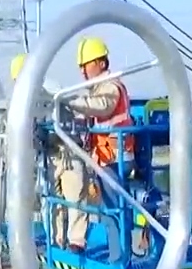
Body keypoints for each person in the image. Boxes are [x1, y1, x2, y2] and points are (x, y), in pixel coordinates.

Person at [55, 36, 134, 253]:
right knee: (110, 209)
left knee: (114, 210)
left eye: (86, 65)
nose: (83, 71)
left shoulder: (111, 87)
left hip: (116, 157)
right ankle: (118, 253)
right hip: (106, 158)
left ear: (101, 62)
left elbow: (101, 106)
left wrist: (68, 100)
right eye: (80, 66)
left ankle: (120, 257)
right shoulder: (98, 88)